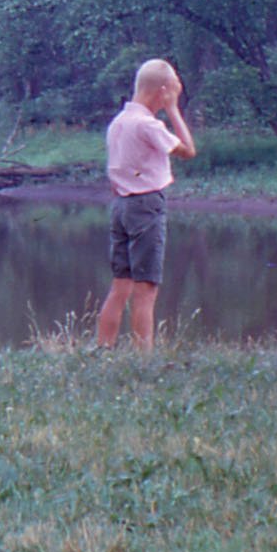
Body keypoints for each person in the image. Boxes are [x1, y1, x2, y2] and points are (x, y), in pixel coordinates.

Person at [98, 58, 197, 352]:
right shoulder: (148, 125)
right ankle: (143, 359)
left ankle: (103, 349)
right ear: (163, 91)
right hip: (146, 206)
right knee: (146, 289)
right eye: (172, 92)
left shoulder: (119, 122)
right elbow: (188, 151)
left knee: (121, 285)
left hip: (120, 206)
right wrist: (173, 109)